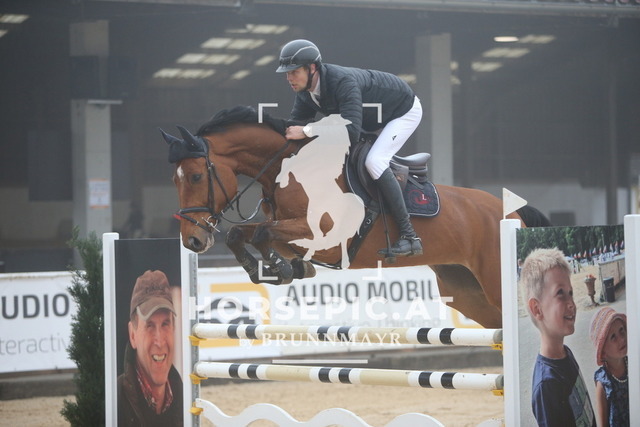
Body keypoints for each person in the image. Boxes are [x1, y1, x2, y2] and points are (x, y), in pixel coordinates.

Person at [276, 39, 423, 257]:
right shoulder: (305, 93)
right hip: (371, 118)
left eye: (294, 72)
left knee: (374, 161)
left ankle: (409, 236)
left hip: (402, 111)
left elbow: (350, 132)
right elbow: (293, 129)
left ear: (312, 68)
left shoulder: (343, 82)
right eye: (287, 73)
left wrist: (307, 130)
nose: (289, 78)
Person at [520, 248, 596, 427]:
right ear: (537, 309)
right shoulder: (546, 385)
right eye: (560, 293)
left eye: (571, 293)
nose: (571, 304)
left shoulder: (566, 353)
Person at [117, 270, 183, 426]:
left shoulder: (187, 399)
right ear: (132, 335)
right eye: (149, 326)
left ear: (174, 329)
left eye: (165, 324)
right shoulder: (114, 402)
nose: (159, 341)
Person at [589, 307, 629, 427]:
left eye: (622, 330)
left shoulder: (634, 364)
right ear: (603, 352)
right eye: (613, 337)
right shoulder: (603, 383)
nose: (622, 338)